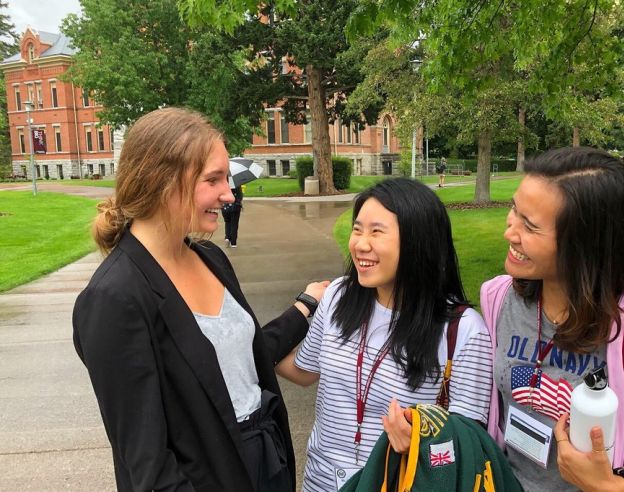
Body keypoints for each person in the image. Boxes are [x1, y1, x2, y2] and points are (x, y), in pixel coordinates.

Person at [72, 107, 328, 492]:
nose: (228, 193)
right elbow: (148, 464)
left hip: (264, 464)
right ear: (162, 181)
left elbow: (243, 354)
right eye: (213, 179)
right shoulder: (116, 298)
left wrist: (304, 306)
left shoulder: (210, 258)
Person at [480, 147, 624, 491]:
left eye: (530, 226)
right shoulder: (498, 298)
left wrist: (622, 485)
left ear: (584, 244)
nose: (510, 232)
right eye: (515, 209)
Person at [275, 178, 494, 492]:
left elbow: (467, 442)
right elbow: (302, 370)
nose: (361, 244)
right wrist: (280, 322)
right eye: (357, 229)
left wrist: (416, 438)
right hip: (319, 482)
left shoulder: (462, 330)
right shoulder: (338, 296)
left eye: (376, 231)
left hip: (396, 483)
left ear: (419, 241)